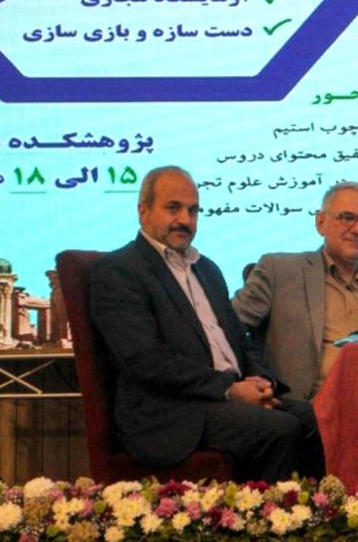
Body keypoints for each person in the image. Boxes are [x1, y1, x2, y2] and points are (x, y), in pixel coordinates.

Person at [89, 166, 323, 482]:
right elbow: (145, 361)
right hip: (171, 412)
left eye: (193, 210)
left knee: (318, 419)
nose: (185, 219)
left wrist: (260, 381)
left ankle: (320, 511)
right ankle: (270, 514)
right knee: (282, 429)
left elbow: (240, 341)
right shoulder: (119, 271)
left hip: (225, 399)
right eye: (173, 208)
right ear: (143, 212)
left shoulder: (207, 269)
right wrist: (229, 389)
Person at [233, 182, 358, 400]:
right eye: (347, 218)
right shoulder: (279, 272)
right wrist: (248, 380)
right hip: (300, 408)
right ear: (320, 222)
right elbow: (225, 329)